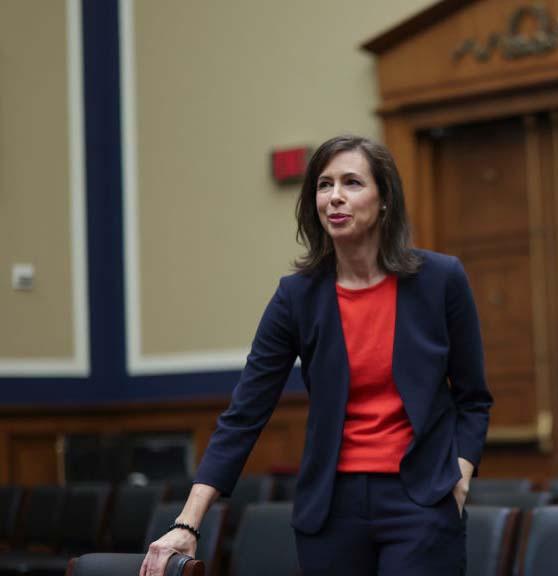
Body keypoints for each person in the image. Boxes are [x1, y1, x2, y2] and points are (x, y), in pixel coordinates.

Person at [141, 135, 492, 576]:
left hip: (420, 501)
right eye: (324, 185)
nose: (335, 197)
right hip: (331, 508)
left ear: (384, 199)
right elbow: (245, 412)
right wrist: (187, 522)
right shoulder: (297, 296)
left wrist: (457, 481)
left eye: (351, 183)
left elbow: (474, 399)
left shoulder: (441, 279)